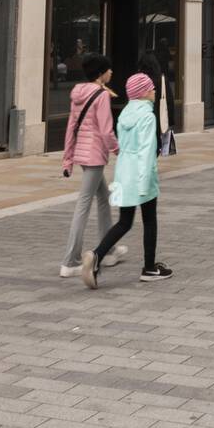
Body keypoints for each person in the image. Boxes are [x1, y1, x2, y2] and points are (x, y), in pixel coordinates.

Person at [81, 73, 173, 287]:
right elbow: (147, 151)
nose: (154, 91)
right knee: (149, 220)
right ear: (143, 93)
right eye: (151, 88)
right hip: (142, 175)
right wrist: (145, 182)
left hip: (124, 173)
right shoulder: (148, 118)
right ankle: (149, 268)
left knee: (124, 222)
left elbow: (124, 146)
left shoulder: (124, 115)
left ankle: (96, 255)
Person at [59, 54, 125, 278]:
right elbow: (106, 131)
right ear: (101, 73)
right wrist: (118, 151)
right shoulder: (101, 96)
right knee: (83, 205)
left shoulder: (78, 94)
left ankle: (108, 250)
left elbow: (71, 127)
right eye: (108, 69)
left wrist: (68, 159)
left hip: (82, 155)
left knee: (103, 198)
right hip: (95, 155)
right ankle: (70, 260)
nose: (111, 72)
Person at [137, 49, 177, 155]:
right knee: (155, 143)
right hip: (157, 116)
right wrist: (171, 121)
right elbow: (169, 101)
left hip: (142, 116)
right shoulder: (162, 79)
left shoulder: (138, 80)